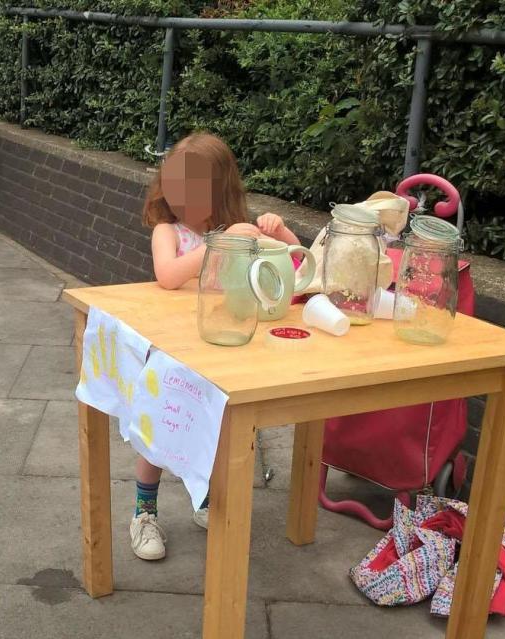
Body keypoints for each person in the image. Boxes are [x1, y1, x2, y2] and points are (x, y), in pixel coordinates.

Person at [134, 132, 299, 560]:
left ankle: (204, 499)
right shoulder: (168, 231)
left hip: (223, 348)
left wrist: (280, 231)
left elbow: (295, 266)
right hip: (171, 352)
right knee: (156, 430)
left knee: (212, 428)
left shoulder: (237, 230)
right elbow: (168, 274)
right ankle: (144, 511)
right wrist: (221, 243)